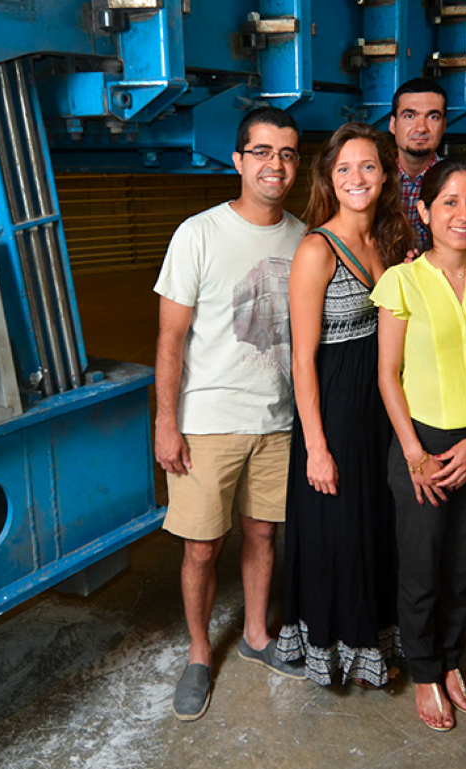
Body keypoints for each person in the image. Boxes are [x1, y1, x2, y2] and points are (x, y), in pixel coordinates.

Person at [154, 106, 308, 722]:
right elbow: (170, 339)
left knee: (263, 533)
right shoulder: (199, 233)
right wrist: (167, 422)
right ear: (239, 160)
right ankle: (197, 653)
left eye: (289, 153)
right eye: (264, 152)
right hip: (209, 420)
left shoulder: (304, 237)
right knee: (200, 547)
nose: (277, 164)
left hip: (279, 419)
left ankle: (256, 636)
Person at [372, 160, 466, 732]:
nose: (464, 214)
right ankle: (425, 670)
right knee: (420, 568)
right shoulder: (401, 281)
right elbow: (388, 374)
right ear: (424, 210)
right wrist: (413, 453)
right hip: (422, 444)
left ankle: (453, 659)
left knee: (462, 566)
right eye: (451, 202)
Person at [277, 123, 416, 687]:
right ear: (328, 180)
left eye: (367, 167)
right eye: (344, 169)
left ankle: (376, 641)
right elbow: (302, 360)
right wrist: (315, 447)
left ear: (385, 176)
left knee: (374, 526)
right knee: (338, 532)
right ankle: (338, 648)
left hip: (377, 406)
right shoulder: (317, 249)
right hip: (332, 409)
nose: (356, 178)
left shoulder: (385, 239)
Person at [390, 78, 466, 254]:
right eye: (409, 116)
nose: (421, 128)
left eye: (432, 117)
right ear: (393, 124)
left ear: (444, 126)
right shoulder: (376, 179)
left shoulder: (461, 179)